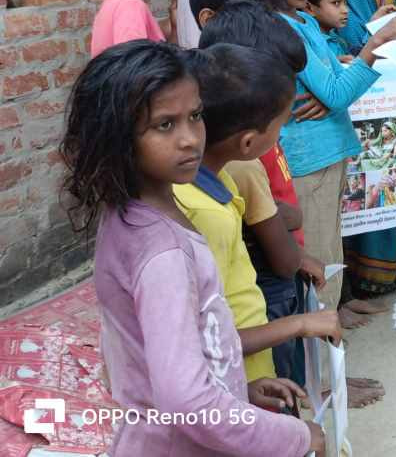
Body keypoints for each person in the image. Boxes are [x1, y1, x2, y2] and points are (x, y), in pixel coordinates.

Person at [63, 40, 321, 455]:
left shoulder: (130, 215)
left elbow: (159, 357)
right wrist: (297, 436)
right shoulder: (162, 252)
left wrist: (237, 389)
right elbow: (188, 404)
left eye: (196, 116)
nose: (190, 139)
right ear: (118, 136)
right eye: (165, 125)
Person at [249, 0, 396, 313]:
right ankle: (323, 345)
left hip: (327, 149)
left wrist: (336, 82)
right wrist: (375, 44)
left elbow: (332, 85)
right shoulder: (280, 27)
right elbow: (337, 93)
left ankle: (330, 330)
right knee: (319, 256)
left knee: (329, 245)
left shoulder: (303, 22)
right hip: (309, 156)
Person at [172, 43, 341, 386]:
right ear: (248, 143)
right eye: (279, 127)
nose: (280, 136)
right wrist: (299, 324)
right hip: (233, 379)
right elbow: (198, 339)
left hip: (249, 370)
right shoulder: (202, 212)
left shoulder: (218, 179)